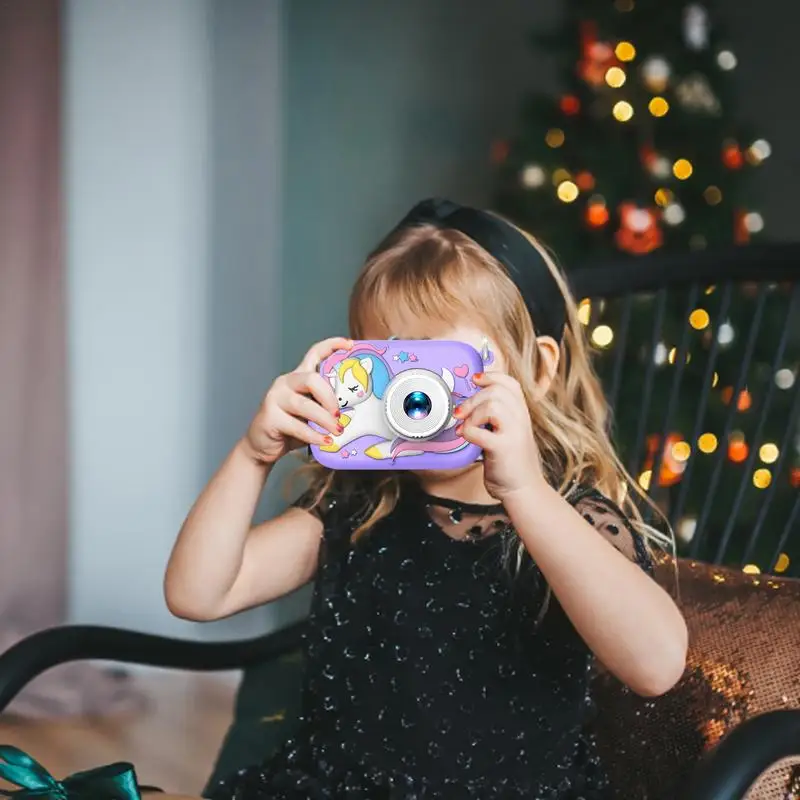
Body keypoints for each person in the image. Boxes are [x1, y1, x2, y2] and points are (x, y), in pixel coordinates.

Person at [160, 199, 688, 799]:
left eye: (438, 366)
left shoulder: (567, 518)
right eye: (388, 364)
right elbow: (198, 594)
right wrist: (251, 456)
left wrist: (526, 494)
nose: (412, 397)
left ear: (537, 371)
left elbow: (657, 665)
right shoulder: (358, 510)